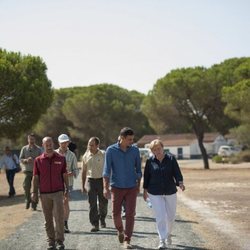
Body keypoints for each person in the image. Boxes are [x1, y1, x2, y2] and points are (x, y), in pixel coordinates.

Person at [103, 127, 142, 249]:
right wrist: (105, 187)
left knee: (130, 214)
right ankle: (120, 230)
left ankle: (127, 239)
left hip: (131, 187)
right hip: (116, 187)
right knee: (116, 213)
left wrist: (138, 186)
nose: (132, 141)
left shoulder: (135, 150)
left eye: (132, 139)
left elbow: (139, 170)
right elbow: (106, 171)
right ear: (122, 138)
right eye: (129, 139)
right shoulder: (110, 150)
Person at [143, 139, 185, 250]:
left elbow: (177, 172)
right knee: (160, 216)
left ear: (163, 148)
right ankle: (162, 240)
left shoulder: (171, 159)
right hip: (154, 192)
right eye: (154, 150)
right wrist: (145, 191)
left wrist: (180, 183)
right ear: (152, 151)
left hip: (170, 190)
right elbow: (146, 177)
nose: (158, 151)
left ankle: (168, 234)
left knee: (171, 217)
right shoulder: (149, 161)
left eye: (159, 148)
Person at [31, 137, 69, 250]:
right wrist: (34, 191)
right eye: (46, 144)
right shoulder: (38, 160)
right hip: (44, 194)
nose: (49, 146)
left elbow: (64, 174)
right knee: (48, 219)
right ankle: (51, 242)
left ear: (53, 144)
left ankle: (60, 241)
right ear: (43, 145)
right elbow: (35, 177)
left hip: (58, 192)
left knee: (59, 217)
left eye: (50, 143)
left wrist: (67, 188)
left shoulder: (61, 158)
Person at [82, 137, 108, 232]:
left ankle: (102, 218)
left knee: (103, 202)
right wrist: (83, 185)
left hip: (102, 181)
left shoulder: (104, 154)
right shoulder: (85, 156)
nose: (90, 147)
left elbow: (109, 168)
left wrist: (108, 183)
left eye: (92, 145)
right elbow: (84, 171)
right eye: (89, 144)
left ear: (97, 145)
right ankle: (95, 224)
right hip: (91, 181)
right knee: (92, 203)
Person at [55, 134, 78, 233]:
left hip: (68, 183)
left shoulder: (72, 155)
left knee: (65, 202)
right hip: (55, 183)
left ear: (68, 142)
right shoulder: (54, 154)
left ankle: (65, 224)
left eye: (66, 142)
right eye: (62, 142)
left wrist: (71, 173)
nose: (64, 144)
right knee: (56, 204)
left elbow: (76, 170)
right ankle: (57, 224)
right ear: (59, 143)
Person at [19, 133, 42, 210]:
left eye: (32, 139)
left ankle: (34, 204)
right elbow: (20, 159)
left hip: (36, 172)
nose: (31, 141)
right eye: (30, 139)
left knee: (35, 188)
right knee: (26, 186)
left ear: (35, 140)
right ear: (28, 139)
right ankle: (28, 200)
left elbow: (42, 160)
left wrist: (35, 160)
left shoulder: (39, 149)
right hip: (27, 171)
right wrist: (26, 160)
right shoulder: (24, 148)